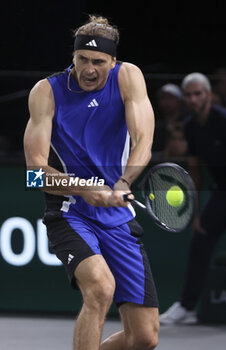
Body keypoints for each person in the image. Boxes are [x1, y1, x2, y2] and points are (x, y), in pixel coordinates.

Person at [24, 15, 159, 350]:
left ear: (113, 62)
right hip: (70, 213)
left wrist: (125, 180)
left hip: (118, 218)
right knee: (100, 289)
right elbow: (33, 172)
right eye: (82, 59)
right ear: (73, 57)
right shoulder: (47, 92)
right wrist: (84, 188)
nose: (88, 69)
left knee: (144, 337)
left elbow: (144, 138)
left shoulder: (128, 77)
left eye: (98, 62)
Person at [159, 72, 226, 325]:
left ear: (209, 95)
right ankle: (187, 307)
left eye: (198, 94)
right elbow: (195, 171)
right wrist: (196, 212)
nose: (193, 99)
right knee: (200, 239)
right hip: (223, 192)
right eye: (189, 95)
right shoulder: (190, 127)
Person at [152, 83, 185, 152]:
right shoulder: (156, 126)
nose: (166, 102)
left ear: (179, 101)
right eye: (163, 98)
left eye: (171, 98)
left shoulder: (186, 124)